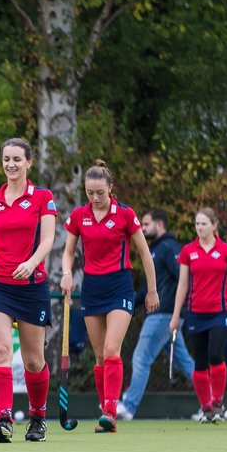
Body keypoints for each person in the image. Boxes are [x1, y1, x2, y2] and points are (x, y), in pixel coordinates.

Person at [61, 160, 157, 434]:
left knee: (112, 350)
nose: (95, 198)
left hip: (119, 287)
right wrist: (67, 273)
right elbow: (68, 252)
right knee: (100, 357)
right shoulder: (80, 216)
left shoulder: (125, 214)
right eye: (90, 193)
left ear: (111, 188)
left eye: (100, 192)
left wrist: (151, 290)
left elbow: (144, 254)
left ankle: (111, 411)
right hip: (92, 288)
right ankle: (106, 410)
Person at [0, 139, 58, 443]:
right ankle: (3, 417)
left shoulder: (42, 197)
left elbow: (49, 239)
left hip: (32, 286)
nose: (11, 165)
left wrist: (31, 263)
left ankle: (37, 416)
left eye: (17, 159)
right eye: (6, 159)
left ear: (29, 163)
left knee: (34, 361)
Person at [169, 208, 227, 423]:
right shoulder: (188, 251)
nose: (200, 228)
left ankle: (218, 403)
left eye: (204, 224)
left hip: (220, 312)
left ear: (214, 225)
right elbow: (183, 285)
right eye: (197, 224)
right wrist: (175, 316)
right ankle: (205, 408)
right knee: (201, 362)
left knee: (216, 355)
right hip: (195, 313)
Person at [118, 209, 195, 421]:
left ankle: (128, 406)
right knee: (185, 363)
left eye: (146, 224)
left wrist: (176, 313)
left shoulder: (168, 248)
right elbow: (145, 292)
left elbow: (183, 278)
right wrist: (122, 305)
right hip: (165, 316)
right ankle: (214, 401)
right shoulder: (155, 250)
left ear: (159, 225)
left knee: (141, 358)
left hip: (163, 315)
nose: (142, 228)